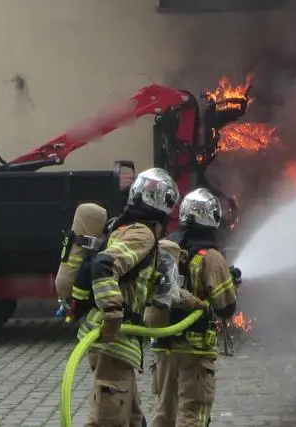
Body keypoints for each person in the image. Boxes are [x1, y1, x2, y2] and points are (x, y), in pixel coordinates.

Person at [78, 167, 180, 427]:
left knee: (133, 418)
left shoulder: (124, 226)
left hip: (116, 343)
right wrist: (113, 311)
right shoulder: (142, 234)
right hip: (115, 340)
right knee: (109, 419)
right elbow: (103, 265)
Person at [151, 187, 239, 427]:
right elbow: (226, 308)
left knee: (164, 414)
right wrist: (231, 283)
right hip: (194, 351)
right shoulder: (211, 256)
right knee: (192, 414)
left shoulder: (165, 246)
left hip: (163, 347)